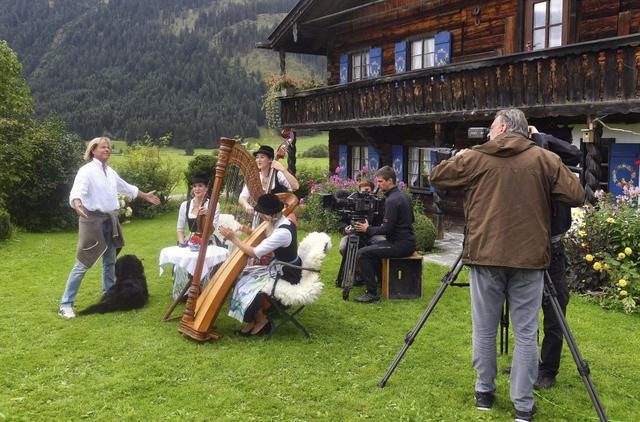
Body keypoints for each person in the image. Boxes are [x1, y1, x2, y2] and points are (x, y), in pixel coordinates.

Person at [430, 109, 584, 422]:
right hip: (529, 258)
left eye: (490, 129)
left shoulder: (476, 157)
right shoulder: (543, 158)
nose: (488, 134)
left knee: (484, 330)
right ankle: (523, 406)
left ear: (501, 128)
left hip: (486, 255)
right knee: (526, 333)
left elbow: (438, 176)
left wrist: (465, 155)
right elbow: (576, 194)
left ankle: (484, 392)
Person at [59, 137, 160, 319]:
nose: (107, 150)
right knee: (83, 263)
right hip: (92, 221)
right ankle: (66, 304)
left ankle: (109, 294)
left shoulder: (109, 171)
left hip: (110, 220)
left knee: (109, 262)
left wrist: (144, 195)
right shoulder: (86, 171)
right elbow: (77, 191)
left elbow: (125, 187)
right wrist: (76, 203)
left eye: (108, 147)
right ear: (93, 150)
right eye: (103, 147)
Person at [529, 126, 581, 390]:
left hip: (553, 247)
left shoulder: (558, 168)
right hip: (526, 247)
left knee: (554, 310)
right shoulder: (524, 161)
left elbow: (575, 154)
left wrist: (543, 137)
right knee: (525, 310)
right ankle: (529, 363)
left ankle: (548, 369)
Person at [219, 193, 301, 336]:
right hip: (280, 267)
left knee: (248, 283)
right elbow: (267, 241)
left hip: (287, 273)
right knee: (244, 275)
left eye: (261, 213)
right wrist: (249, 231)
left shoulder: (282, 232)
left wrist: (232, 238)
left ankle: (262, 321)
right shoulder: (281, 222)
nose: (260, 216)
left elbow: (254, 252)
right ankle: (253, 319)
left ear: (268, 215)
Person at [352, 166, 416, 303]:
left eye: (380, 182)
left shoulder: (392, 200)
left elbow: (387, 229)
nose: (378, 185)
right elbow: (412, 219)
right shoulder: (403, 196)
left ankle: (372, 294)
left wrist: (367, 229)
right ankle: (382, 281)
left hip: (401, 245)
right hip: (405, 242)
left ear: (390, 181)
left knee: (362, 253)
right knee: (371, 245)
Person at [335, 179, 385, 286]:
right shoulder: (352, 201)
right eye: (363, 188)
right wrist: (345, 229)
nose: (366, 191)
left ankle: (377, 274)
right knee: (344, 247)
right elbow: (342, 222)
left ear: (372, 190)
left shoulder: (377, 203)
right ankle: (357, 273)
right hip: (353, 233)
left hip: (372, 234)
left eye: (368, 188)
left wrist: (369, 228)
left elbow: (382, 223)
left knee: (381, 244)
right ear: (359, 190)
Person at [238, 145, 299, 216]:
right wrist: (246, 205)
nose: (258, 160)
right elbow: (242, 197)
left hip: (278, 215)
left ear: (270, 160)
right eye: (257, 157)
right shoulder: (255, 178)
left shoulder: (277, 174)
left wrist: (283, 169)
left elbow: (296, 186)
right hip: (260, 217)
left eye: (262, 157)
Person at [176, 175, 221, 246]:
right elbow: (180, 229)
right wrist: (182, 243)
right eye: (194, 186)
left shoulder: (214, 205)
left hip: (208, 243)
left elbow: (211, 231)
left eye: (200, 186)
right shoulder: (185, 205)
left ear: (206, 188)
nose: (197, 189)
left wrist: (208, 215)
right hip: (191, 242)